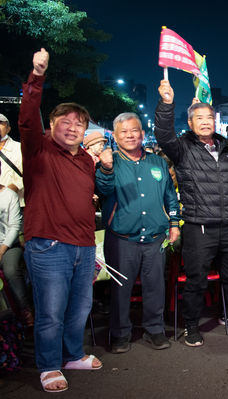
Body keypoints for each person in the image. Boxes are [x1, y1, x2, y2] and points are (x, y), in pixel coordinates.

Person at [19, 48, 102, 392]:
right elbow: (26, 118)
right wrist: (37, 75)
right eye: (64, 122)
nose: (72, 127)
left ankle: (72, 355)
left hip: (83, 247)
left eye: (78, 123)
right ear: (52, 125)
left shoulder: (85, 160)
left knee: (79, 308)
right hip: (48, 245)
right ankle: (49, 365)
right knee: (50, 311)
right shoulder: (38, 149)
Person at [154, 80, 228, 347]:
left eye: (209, 117)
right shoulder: (182, 148)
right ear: (191, 123)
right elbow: (163, 134)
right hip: (198, 227)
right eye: (199, 118)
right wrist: (166, 104)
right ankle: (191, 325)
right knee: (196, 279)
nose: (206, 122)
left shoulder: (227, 147)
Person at [95, 113, 180, 353]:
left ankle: (155, 329)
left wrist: (174, 224)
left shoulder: (158, 162)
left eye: (135, 130)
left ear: (143, 134)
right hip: (122, 239)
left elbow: (170, 196)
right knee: (121, 289)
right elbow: (102, 189)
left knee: (155, 287)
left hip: (155, 238)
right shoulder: (111, 162)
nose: (130, 135)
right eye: (124, 132)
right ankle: (120, 333)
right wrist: (106, 167)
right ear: (115, 135)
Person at [0, 168, 32, 327]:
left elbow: (14, 226)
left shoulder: (8, 195)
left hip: (8, 245)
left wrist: (2, 250)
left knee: (11, 270)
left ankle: (25, 309)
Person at [0, 113, 24, 206]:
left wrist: (11, 189)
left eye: (0, 123)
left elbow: (31, 174)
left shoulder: (20, 148)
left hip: (15, 204)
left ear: (8, 128)